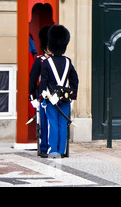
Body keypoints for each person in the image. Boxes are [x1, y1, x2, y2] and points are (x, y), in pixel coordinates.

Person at [39, 25, 79, 158]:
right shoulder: (68, 62)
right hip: (65, 98)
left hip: (51, 98)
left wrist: (41, 96)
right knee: (63, 124)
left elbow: (43, 82)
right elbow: (75, 79)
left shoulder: (47, 62)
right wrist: (73, 94)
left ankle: (53, 151)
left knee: (53, 123)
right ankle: (62, 151)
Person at [29, 25, 52, 157]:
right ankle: (44, 147)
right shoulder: (40, 61)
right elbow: (33, 79)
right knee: (43, 122)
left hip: (56, 95)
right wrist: (32, 95)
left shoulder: (60, 60)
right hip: (43, 95)